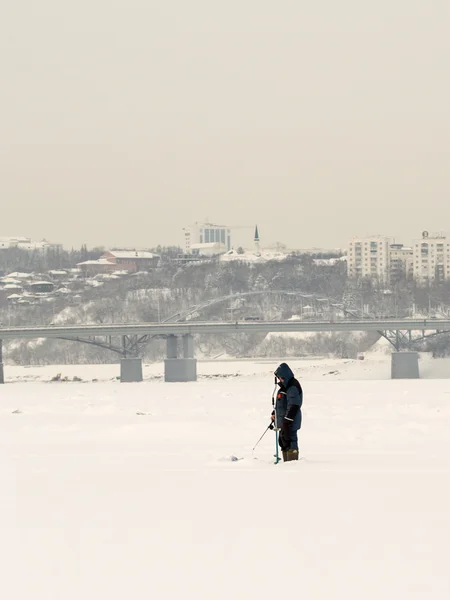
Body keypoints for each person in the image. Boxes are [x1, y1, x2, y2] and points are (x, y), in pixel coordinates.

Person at [271, 363, 303, 462]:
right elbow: (281, 404)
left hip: (290, 422)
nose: (280, 380)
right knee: (283, 442)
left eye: (280, 377)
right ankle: (286, 464)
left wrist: (287, 422)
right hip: (284, 422)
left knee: (291, 441)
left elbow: (293, 406)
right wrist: (274, 414)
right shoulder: (285, 387)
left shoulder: (292, 386)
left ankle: (292, 464)